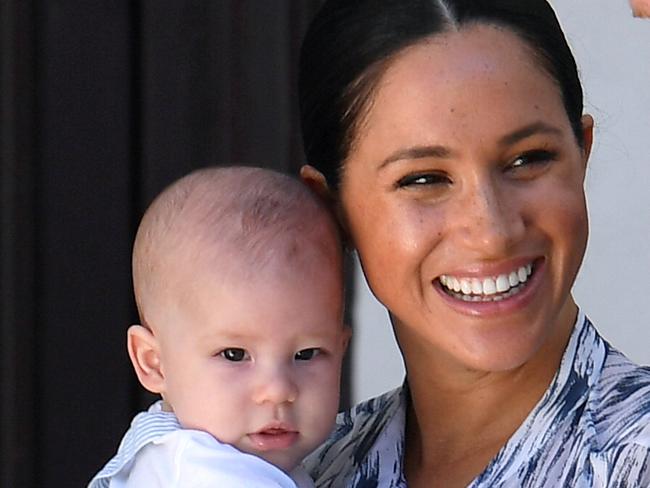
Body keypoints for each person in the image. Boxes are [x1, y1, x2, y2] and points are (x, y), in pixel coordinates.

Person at [297, 1, 650, 486]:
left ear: (582, 152)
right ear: (329, 209)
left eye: (528, 159)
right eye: (424, 178)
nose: (492, 232)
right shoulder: (300, 474)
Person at [88, 166, 350, 488]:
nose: (278, 390)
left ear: (342, 350)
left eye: (307, 354)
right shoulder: (207, 470)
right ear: (154, 363)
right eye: (234, 354)